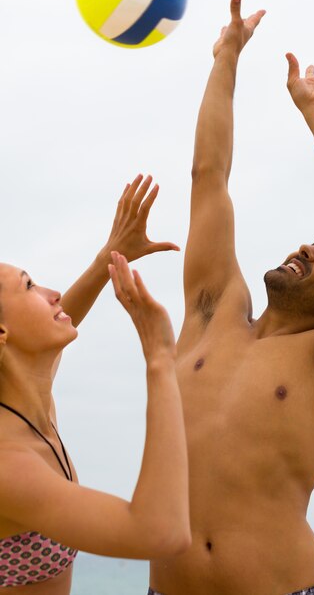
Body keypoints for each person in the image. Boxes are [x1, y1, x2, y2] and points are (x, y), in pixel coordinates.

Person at [148, 0, 314, 595]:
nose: (308, 249)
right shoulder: (210, 313)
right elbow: (209, 175)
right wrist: (226, 57)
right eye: (312, 242)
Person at [0, 176, 191, 594]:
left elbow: (60, 318)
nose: (52, 293)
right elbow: (161, 533)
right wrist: (159, 360)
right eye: (29, 285)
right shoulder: (8, 465)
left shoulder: (30, 400)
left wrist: (111, 254)